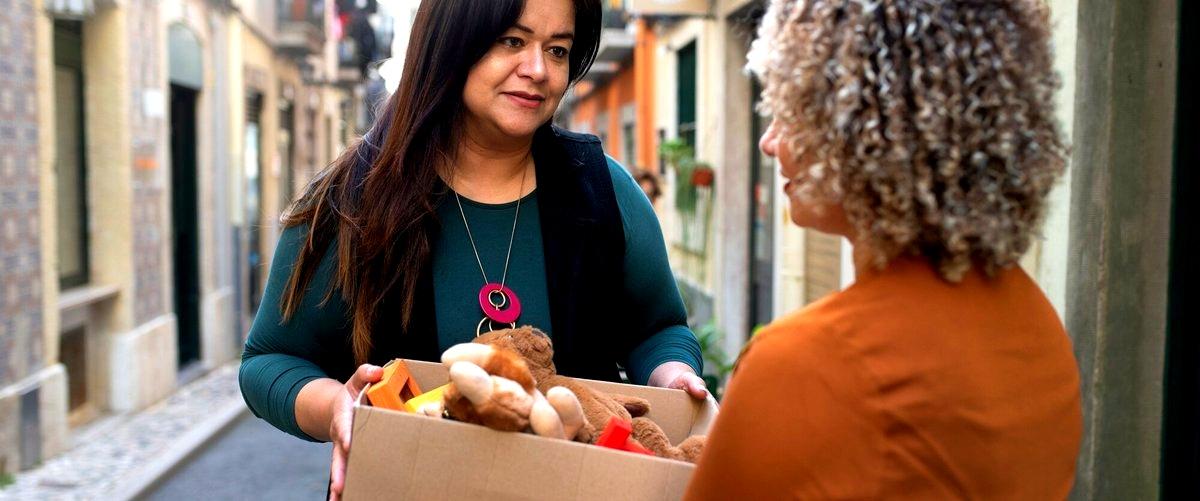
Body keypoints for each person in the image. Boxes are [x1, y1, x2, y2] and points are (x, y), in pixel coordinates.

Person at [238, 0, 705, 499]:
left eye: (558, 49)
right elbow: (270, 360)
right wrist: (337, 407)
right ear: (450, 43)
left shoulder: (603, 191)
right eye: (511, 41)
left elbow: (659, 327)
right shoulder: (353, 200)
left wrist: (672, 373)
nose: (537, 70)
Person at [685, 0, 1082, 499]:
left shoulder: (806, 365)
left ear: (865, 130)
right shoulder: (1039, 326)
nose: (769, 142)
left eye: (791, 113)